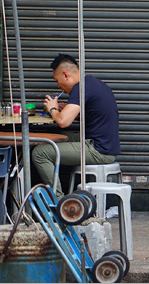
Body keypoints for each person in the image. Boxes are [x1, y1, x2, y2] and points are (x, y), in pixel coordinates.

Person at [31, 54, 121, 198]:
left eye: (57, 81)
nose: (58, 86)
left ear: (65, 75)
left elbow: (63, 122)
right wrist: (64, 108)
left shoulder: (81, 88)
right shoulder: (91, 83)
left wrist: (53, 109)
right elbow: (88, 115)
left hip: (99, 150)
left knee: (39, 153)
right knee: (56, 137)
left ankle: (58, 202)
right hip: (100, 142)